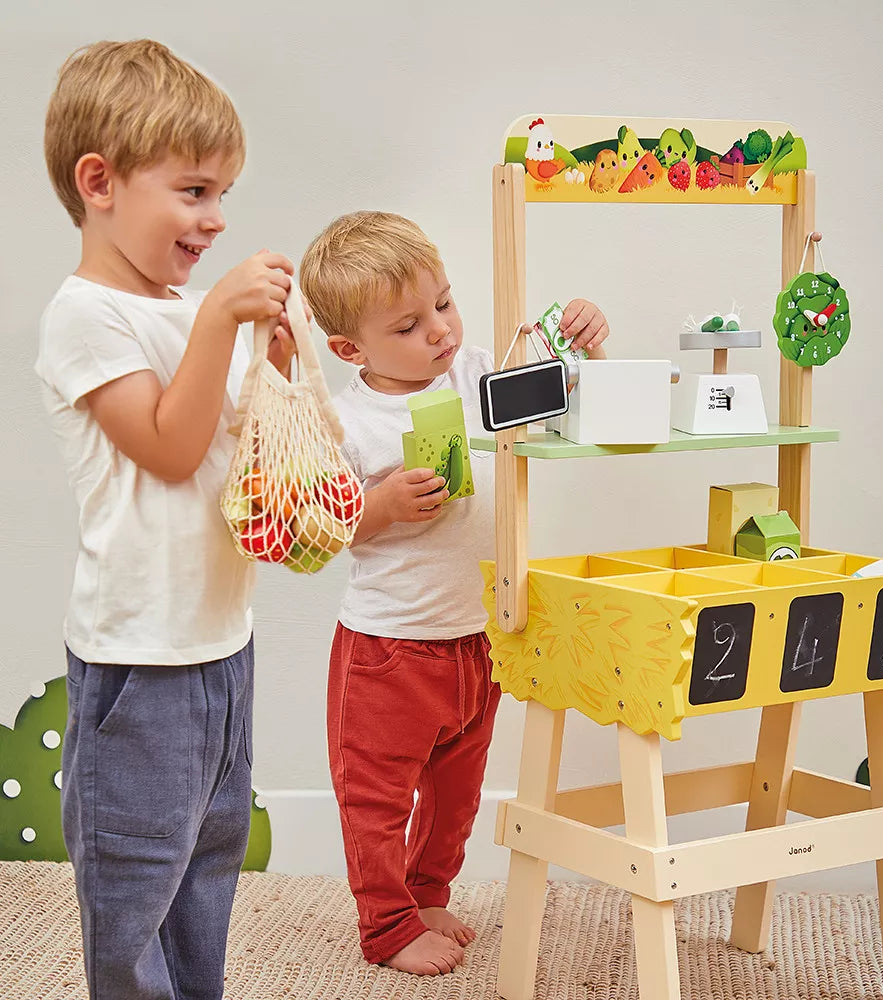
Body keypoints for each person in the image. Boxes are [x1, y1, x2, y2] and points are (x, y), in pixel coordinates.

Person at [36, 39, 297, 1000]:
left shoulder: (185, 311)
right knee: (136, 876)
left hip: (220, 641)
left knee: (206, 866)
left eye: (223, 193)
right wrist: (222, 320)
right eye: (193, 191)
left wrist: (264, 355)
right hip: (139, 658)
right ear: (99, 182)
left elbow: (229, 448)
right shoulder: (83, 317)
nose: (215, 218)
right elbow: (168, 445)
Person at [299, 211, 609, 976]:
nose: (438, 329)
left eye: (444, 302)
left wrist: (586, 346)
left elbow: (565, 405)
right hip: (388, 648)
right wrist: (380, 507)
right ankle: (386, 924)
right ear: (350, 348)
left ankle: (428, 891)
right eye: (408, 324)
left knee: (456, 792)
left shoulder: (474, 374)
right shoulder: (345, 418)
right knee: (377, 798)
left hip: (476, 636)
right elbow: (315, 525)